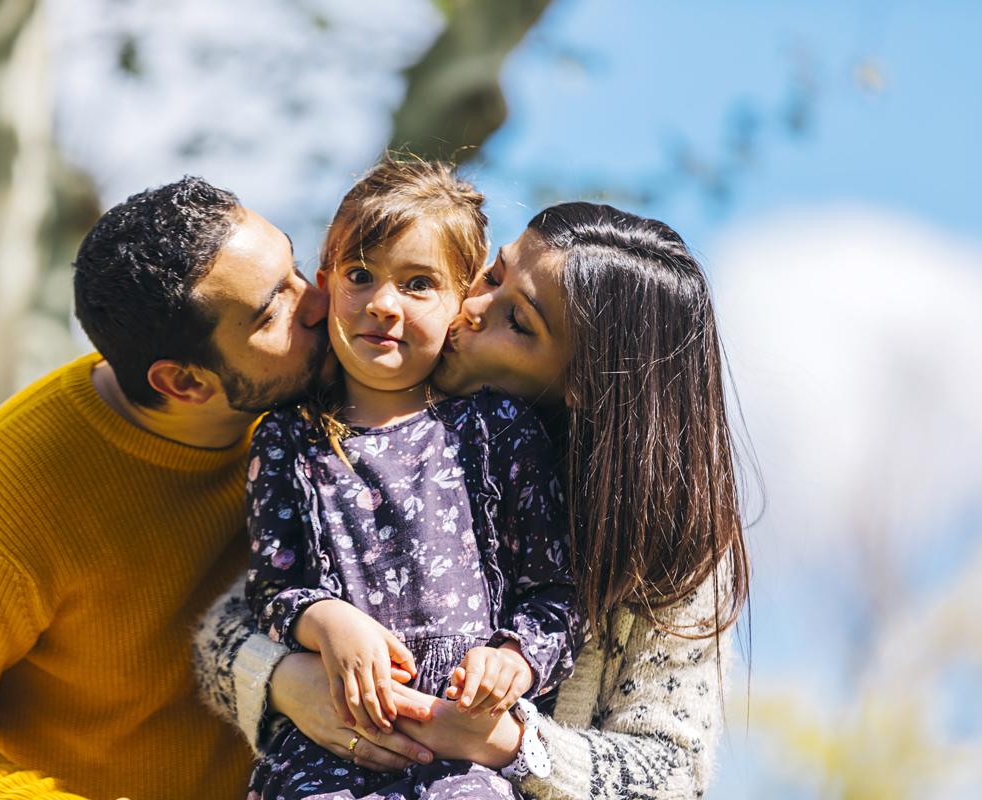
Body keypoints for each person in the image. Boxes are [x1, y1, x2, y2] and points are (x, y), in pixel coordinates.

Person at [195, 201, 751, 799]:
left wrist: (507, 743)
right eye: (492, 276)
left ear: (586, 383)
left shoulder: (671, 555)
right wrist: (289, 681)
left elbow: (672, 777)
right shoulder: (351, 427)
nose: (472, 308)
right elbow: (232, 623)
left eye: (519, 321)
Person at [0, 177, 335, 800]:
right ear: (185, 383)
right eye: (272, 312)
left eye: (295, 268)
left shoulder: (316, 376)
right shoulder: (12, 494)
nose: (318, 302)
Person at [243, 160, 582, 799]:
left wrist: (513, 659)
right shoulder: (288, 438)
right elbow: (270, 587)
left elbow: (555, 593)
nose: (382, 303)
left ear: (460, 304)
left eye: (419, 283)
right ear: (325, 284)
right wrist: (326, 622)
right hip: (331, 744)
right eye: (359, 275)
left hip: (464, 752)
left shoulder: (497, 431)